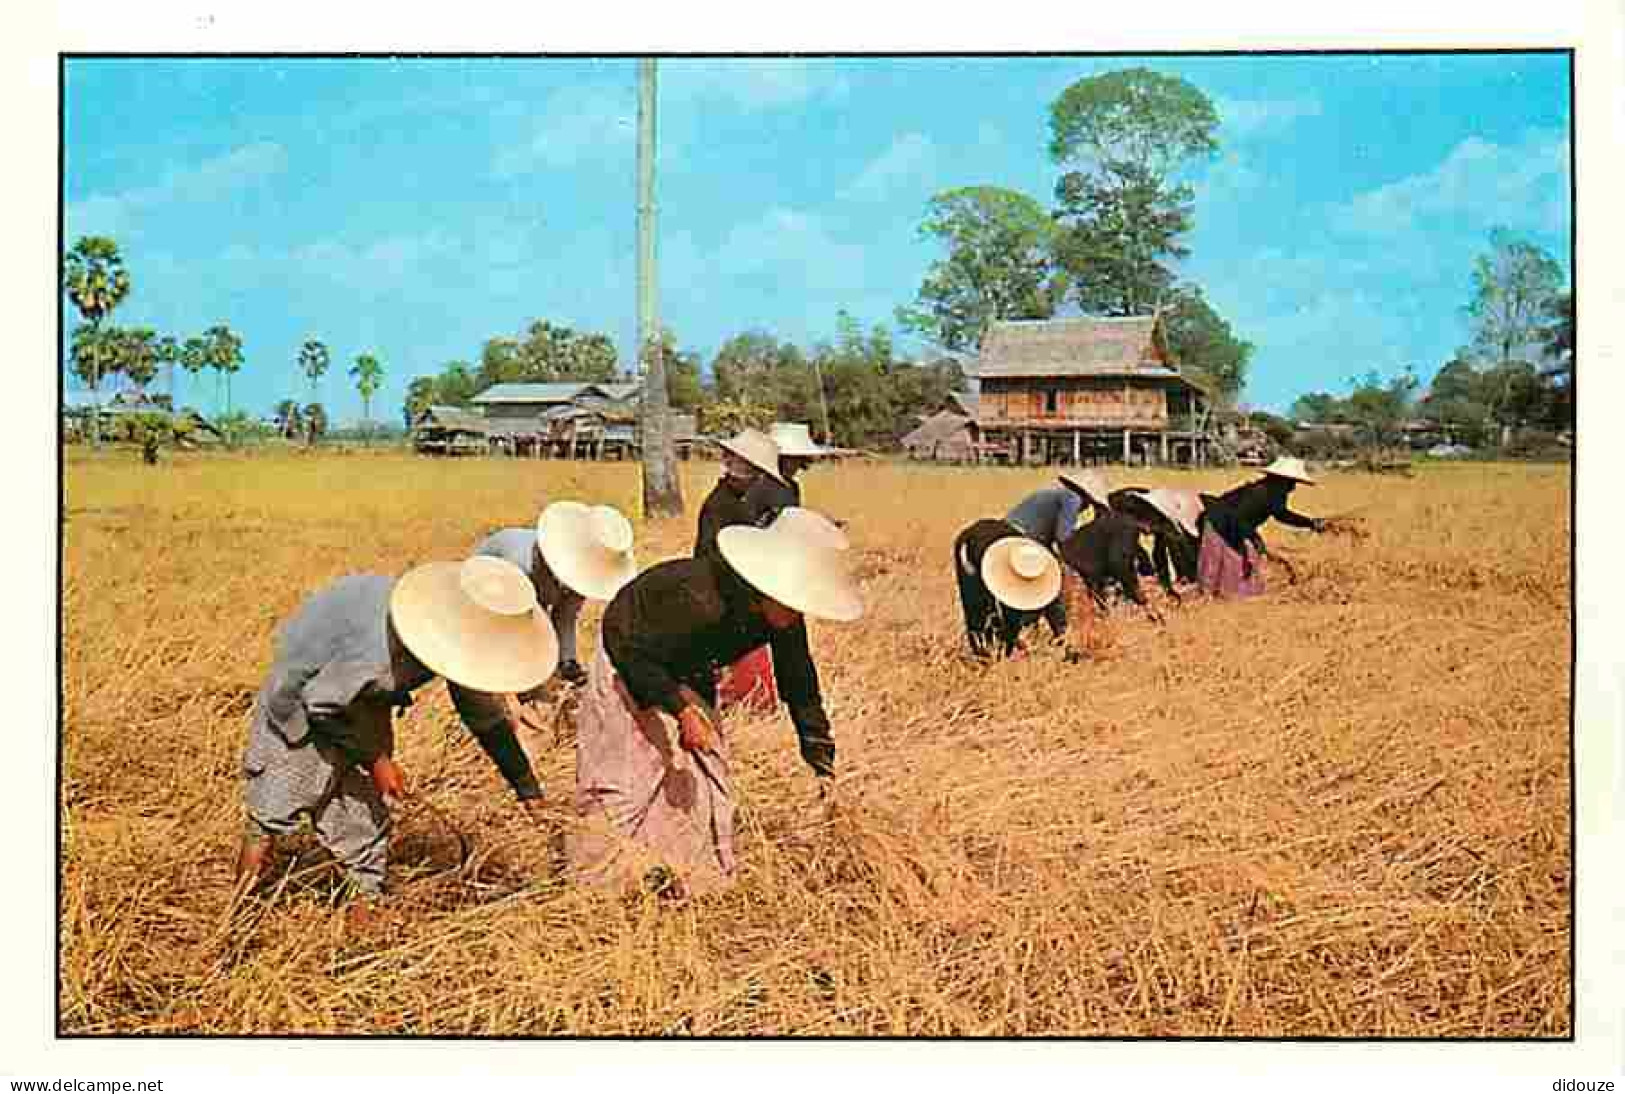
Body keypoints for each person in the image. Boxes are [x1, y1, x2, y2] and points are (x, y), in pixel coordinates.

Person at [567, 507, 863, 897]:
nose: (796, 613)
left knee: (704, 775)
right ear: (765, 588)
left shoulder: (784, 617)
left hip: (686, 671)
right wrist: (680, 709)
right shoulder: (698, 597)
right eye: (793, 602)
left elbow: (800, 683)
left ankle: (686, 877)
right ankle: (598, 886)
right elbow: (630, 647)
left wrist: (821, 760)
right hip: (627, 659)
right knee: (623, 781)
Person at [235, 558, 559, 912]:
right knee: (274, 808)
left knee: (364, 826)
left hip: (358, 704)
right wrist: (377, 760)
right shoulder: (378, 653)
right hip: (303, 704)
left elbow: (486, 721)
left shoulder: (449, 639)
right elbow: (320, 701)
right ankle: (235, 924)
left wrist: (529, 792)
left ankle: (362, 926)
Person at [469, 503, 636, 686]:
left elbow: (565, 616)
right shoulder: (522, 564)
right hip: (491, 589)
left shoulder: (584, 574)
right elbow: (521, 623)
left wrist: (568, 663)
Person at [1001, 471, 1110, 642]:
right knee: (1049, 586)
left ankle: (1037, 630)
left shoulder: (1055, 493)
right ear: (1087, 497)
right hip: (1024, 542)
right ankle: (1057, 633)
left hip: (1008, 538)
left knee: (1035, 589)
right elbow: (1063, 536)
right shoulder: (1072, 499)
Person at [1197, 456, 1327, 598]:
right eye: (1291, 482)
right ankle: (1206, 597)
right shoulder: (1260, 493)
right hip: (1220, 522)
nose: (1293, 487)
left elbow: (1282, 514)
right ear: (1280, 480)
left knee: (1237, 566)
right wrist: (1252, 538)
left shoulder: (1274, 493)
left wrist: (1309, 523)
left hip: (1231, 525)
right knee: (1220, 566)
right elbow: (1238, 517)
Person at [952, 520, 1063, 658]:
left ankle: (993, 649)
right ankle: (983, 650)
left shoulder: (1042, 574)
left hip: (994, 543)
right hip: (981, 547)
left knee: (989, 607)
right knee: (977, 602)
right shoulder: (983, 550)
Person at [694, 428, 786, 561]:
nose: (759, 479)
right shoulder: (720, 505)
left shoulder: (740, 499)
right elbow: (710, 555)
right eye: (754, 472)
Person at [1107, 487, 1204, 595]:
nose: (1147, 531)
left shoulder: (1169, 526)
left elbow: (1159, 554)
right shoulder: (1129, 515)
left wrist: (1167, 585)